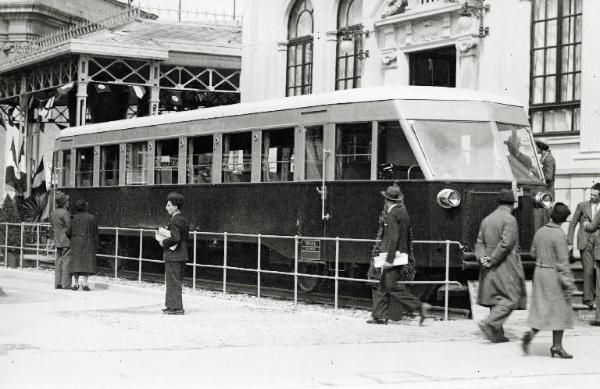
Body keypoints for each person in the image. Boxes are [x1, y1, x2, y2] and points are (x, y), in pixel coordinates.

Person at [367, 182, 430, 325]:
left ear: (387, 200)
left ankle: (420, 306)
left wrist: (389, 259)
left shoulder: (391, 214)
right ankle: (379, 316)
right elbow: (406, 238)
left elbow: (393, 237)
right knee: (383, 285)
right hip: (401, 254)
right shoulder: (404, 213)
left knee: (391, 286)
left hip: (393, 256)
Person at [522, 202, 575, 358]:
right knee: (561, 310)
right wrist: (568, 283)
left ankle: (530, 335)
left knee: (542, 309)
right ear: (564, 218)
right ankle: (557, 346)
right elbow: (563, 263)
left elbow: (532, 253)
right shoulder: (559, 235)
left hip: (539, 273)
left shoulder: (540, 232)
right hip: (553, 275)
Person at [475, 189, 527, 343]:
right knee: (512, 297)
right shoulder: (510, 220)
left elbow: (479, 242)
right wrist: (493, 259)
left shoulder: (487, 219)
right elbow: (506, 244)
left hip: (488, 264)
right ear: (513, 203)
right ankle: (489, 322)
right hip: (506, 263)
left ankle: (496, 334)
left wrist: (482, 257)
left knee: (495, 297)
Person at [567, 182, 600, 309]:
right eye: (591, 194)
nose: (592, 197)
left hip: (598, 243)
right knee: (588, 270)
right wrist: (570, 242)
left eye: (595, 196)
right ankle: (588, 298)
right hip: (585, 242)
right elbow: (572, 224)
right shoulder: (582, 206)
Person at [158, 192, 189, 315]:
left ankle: (177, 308)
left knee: (173, 281)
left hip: (174, 255)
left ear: (175, 206)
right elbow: (184, 237)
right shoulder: (183, 219)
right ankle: (171, 306)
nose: (166, 208)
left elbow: (175, 238)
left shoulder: (175, 220)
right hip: (181, 254)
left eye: (169, 205)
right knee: (174, 281)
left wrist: (163, 242)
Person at [67, 199, 98, 291]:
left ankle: (75, 283)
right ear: (85, 207)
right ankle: (85, 284)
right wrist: (96, 244)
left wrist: (73, 238)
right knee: (86, 261)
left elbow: (68, 231)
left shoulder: (72, 217)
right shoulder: (91, 218)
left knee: (76, 261)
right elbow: (95, 232)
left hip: (75, 241)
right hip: (88, 240)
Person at [49, 191, 71, 289]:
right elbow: (69, 226)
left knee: (58, 261)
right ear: (64, 203)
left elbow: (52, 226)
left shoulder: (53, 213)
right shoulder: (65, 212)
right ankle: (65, 284)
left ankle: (57, 283)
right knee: (66, 262)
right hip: (66, 240)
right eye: (67, 201)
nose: (69, 202)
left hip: (57, 240)